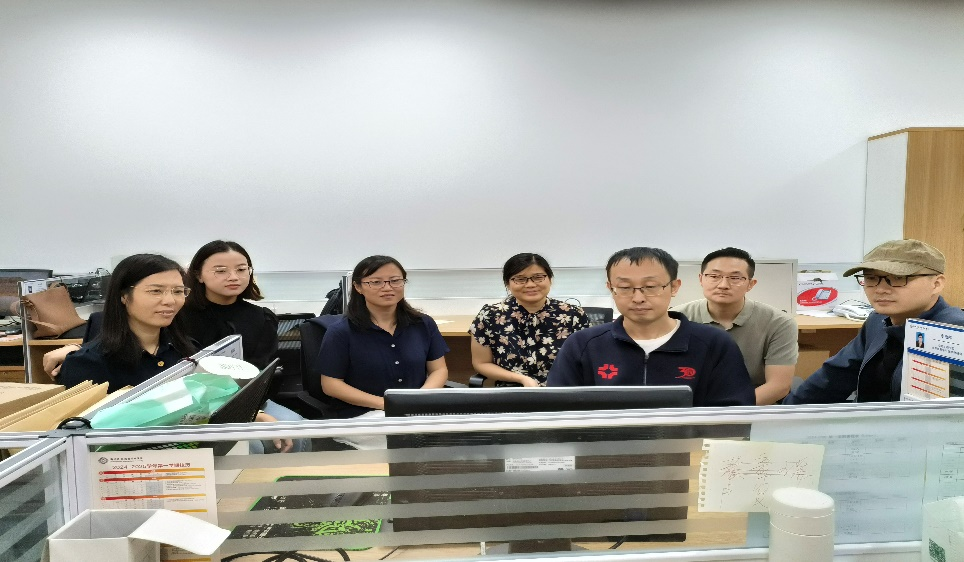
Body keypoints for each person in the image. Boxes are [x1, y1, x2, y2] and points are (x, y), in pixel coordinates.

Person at [547, 247, 755, 407]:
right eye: (625, 287)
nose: (638, 298)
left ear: (674, 287)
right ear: (611, 289)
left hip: (690, 449)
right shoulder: (583, 345)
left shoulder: (714, 344)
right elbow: (558, 410)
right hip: (601, 449)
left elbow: (733, 414)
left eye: (650, 287)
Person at [785, 239, 964, 404]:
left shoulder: (954, 331)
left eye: (897, 278)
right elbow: (833, 377)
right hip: (872, 422)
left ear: (936, 284)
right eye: (871, 278)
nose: (880, 289)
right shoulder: (877, 321)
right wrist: (782, 416)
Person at [182, 240, 305, 453]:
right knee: (250, 445)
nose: (233, 277)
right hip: (197, 404)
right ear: (198, 275)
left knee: (297, 432)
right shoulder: (180, 317)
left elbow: (261, 371)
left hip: (251, 400)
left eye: (241, 269)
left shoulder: (261, 317)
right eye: (221, 271)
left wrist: (250, 409)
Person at [318, 255, 449, 418]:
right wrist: (387, 404)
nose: (387, 287)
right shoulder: (341, 331)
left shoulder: (423, 324)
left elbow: (438, 370)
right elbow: (331, 385)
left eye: (395, 281)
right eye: (376, 282)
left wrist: (418, 400)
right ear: (358, 287)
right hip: (364, 414)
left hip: (417, 411)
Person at [673, 247, 798, 405]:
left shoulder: (779, 323)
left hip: (751, 406)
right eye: (714, 276)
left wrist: (726, 412)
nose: (723, 285)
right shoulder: (676, 318)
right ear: (701, 279)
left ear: (750, 284)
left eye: (735, 278)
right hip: (692, 406)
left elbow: (778, 386)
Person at [58, 254, 197, 392]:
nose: (170, 301)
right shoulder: (86, 364)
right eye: (156, 291)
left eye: (178, 291)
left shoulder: (188, 350)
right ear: (124, 295)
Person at [468, 253, 590, 387]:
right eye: (520, 279)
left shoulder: (573, 314)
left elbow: (588, 361)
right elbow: (482, 363)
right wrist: (522, 379)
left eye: (538, 277)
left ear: (550, 279)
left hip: (561, 390)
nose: (530, 284)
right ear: (507, 283)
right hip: (513, 391)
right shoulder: (490, 315)